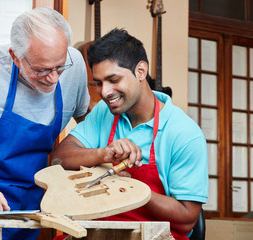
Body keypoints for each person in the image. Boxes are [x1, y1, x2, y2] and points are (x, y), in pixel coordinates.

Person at [0, 7, 90, 240]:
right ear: (15, 57)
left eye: (59, 67)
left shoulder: (76, 65)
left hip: (37, 204)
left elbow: (90, 127)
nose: (53, 78)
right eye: (41, 70)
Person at [52, 28, 208, 240]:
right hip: (97, 233)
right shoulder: (102, 112)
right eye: (99, 82)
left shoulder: (184, 133)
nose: (105, 92)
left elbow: (187, 217)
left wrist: (128, 188)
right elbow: (59, 159)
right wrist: (103, 154)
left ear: (141, 71)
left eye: (113, 79)